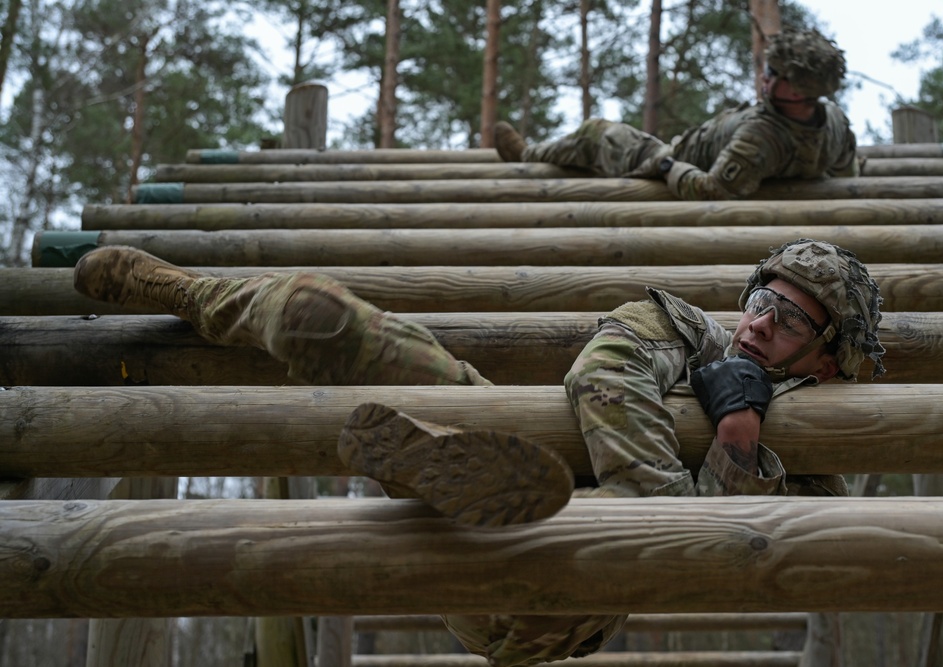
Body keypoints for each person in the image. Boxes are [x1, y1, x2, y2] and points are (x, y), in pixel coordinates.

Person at [72, 238, 884, 666]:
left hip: (547, 605)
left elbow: (729, 567)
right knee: (327, 316)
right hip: (520, 463)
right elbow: (606, 365)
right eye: (760, 299)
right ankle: (183, 288)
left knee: (581, 553)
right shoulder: (693, 328)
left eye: (789, 320)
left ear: (826, 358)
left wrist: (741, 444)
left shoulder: (819, 457)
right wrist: (669, 492)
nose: (758, 322)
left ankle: (457, 482)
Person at [493, 28, 858, 200]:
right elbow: (847, 168)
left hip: (673, 162)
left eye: (773, 72)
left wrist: (667, 167)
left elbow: (713, 191)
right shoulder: (835, 120)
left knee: (596, 132)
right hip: (696, 153)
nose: (764, 75)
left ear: (796, 89)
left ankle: (528, 155)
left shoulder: (761, 137)